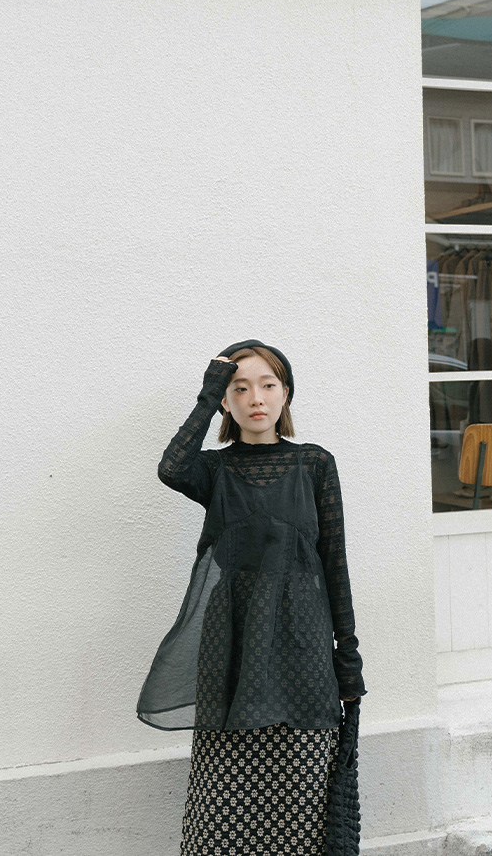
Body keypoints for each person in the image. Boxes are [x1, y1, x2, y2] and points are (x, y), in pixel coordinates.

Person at [136, 340, 367, 855]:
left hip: (303, 638)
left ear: (286, 393)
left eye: (267, 385)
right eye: (239, 388)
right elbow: (172, 468)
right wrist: (207, 392)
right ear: (225, 400)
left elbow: (335, 563)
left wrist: (347, 660)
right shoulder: (214, 471)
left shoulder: (314, 464)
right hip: (232, 636)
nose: (255, 398)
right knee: (225, 791)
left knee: (304, 786)